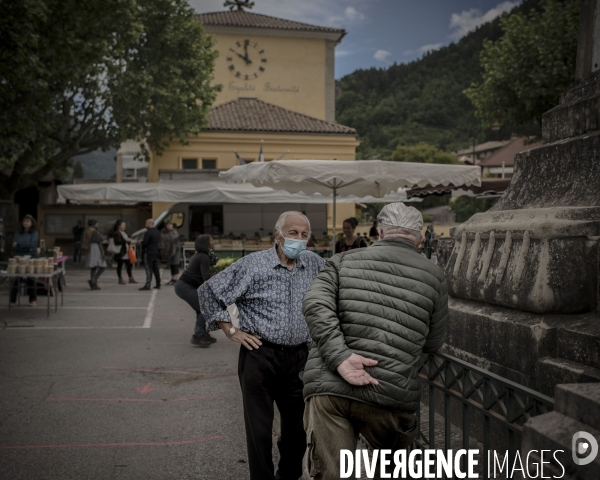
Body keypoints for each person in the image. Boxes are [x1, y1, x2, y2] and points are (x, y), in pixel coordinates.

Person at [301, 202, 448, 479]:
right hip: (389, 393)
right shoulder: (435, 276)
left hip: (330, 388)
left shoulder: (341, 262)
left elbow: (314, 304)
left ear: (379, 232)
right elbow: (432, 343)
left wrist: (340, 357)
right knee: (389, 469)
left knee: (331, 472)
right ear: (419, 237)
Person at [199, 211, 325, 480]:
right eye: (293, 233)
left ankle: (288, 476)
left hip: (301, 359)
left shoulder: (315, 264)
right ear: (278, 235)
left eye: (304, 235)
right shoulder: (253, 265)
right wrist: (231, 330)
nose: (299, 239)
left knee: (297, 431)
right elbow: (209, 291)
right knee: (258, 430)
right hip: (260, 356)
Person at [175, 234, 217, 348]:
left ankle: (203, 333)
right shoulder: (203, 257)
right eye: (212, 240)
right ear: (206, 244)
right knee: (205, 307)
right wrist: (221, 279)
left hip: (184, 286)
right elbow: (206, 276)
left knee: (201, 308)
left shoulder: (200, 255)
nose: (214, 242)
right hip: (184, 286)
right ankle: (198, 334)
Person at [10, 214, 39, 306]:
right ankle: (12, 300)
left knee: (31, 279)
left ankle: (33, 299)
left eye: (28, 221)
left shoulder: (35, 233)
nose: (26, 223)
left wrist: (19, 245)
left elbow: (33, 245)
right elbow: (14, 246)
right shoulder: (18, 233)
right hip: (19, 258)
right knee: (17, 279)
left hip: (31, 258)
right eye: (24, 221)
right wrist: (25, 246)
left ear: (31, 223)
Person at [109, 219, 137, 285]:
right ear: (119, 226)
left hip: (126, 251)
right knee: (120, 266)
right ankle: (120, 279)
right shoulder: (117, 233)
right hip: (121, 252)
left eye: (125, 225)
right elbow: (117, 242)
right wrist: (125, 240)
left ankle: (130, 278)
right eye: (123, 225)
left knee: (129, 265)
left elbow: (127, 240)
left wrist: (129, 241)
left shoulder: (124, 233)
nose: (124, 226)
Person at [139, 218, 161, 291]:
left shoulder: (148, 232)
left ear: (149, 224)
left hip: (148, 252)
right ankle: (158, 283)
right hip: (155, 251)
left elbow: (145, 243)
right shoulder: (157, 232)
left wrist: (141, 242)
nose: (145, 225)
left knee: (149, 268)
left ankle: (148, 285)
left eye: (146, 223)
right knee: (156, 268)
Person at [85, 219, 107, 290]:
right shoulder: (94, 231)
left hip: (91, 248)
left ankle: (93, 282)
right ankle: (93, 281)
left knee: (93, 267)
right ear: (95, 224)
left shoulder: (87, 230)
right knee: (102, 265)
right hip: (96, 248)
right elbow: (101, 238)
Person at [160, 220, 181, 286]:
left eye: (170, 225)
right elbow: (162, 240)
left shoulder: (174, 232)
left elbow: (175, 240)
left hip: (175, 250)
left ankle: (177, 279)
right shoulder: (163, 232)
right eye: (168, 225)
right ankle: (172, 279)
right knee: (171, 265)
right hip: (167, 250)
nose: (169, 226)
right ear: (166, 226)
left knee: (175, 265)